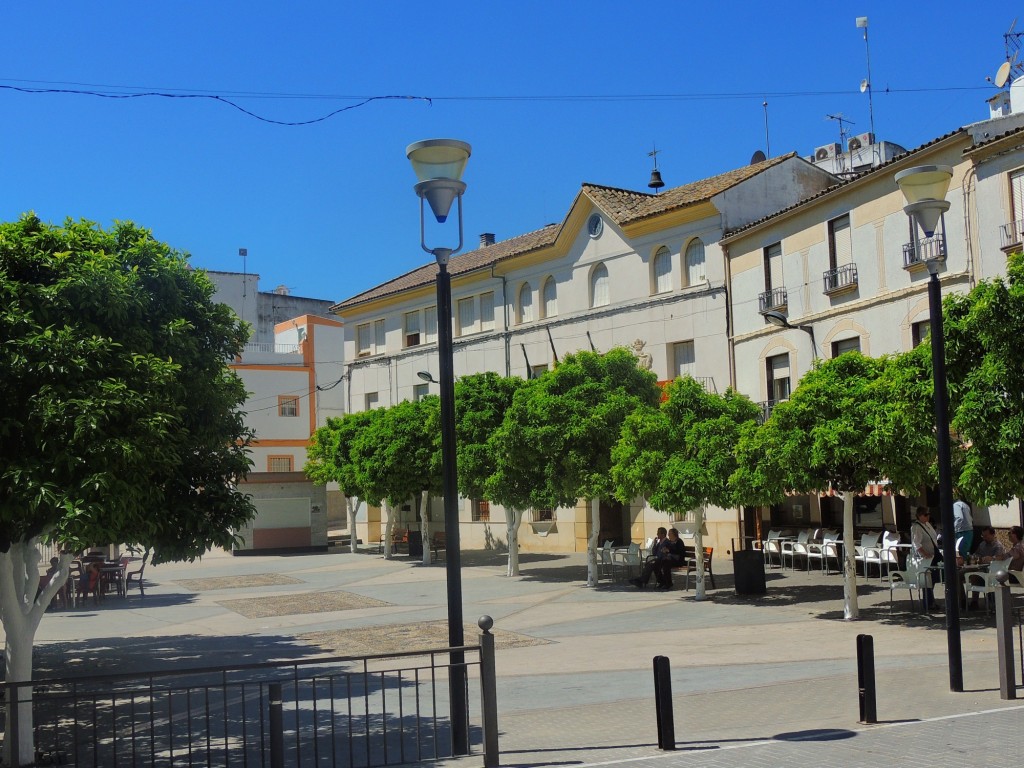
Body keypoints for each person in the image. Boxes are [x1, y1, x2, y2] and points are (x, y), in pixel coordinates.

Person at [910, 507, 940, 610]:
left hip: (934, 555)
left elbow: (933, 537)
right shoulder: (916, 527)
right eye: (925, 515)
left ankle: (930, 600)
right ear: (919, 515)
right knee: (927, 579)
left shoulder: (927, 524)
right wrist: (924, 554)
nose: (928, 516)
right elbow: (916, 543)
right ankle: (928, 602)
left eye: (929, 514)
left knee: (934, 578)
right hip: (925, 558)